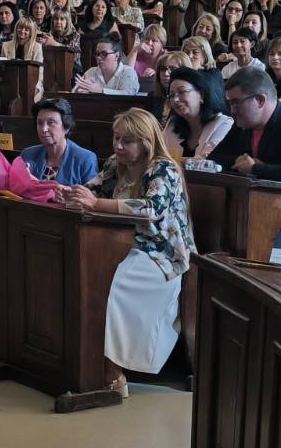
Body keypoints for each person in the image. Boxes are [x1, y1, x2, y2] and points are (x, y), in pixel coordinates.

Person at [58, 109, 195, 397]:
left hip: (161, 253)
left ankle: (113, 373)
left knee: (113, 286)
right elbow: (91, 190)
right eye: (116, 138)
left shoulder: (163, 169)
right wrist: (71, 193)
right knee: (81, 276)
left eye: (127, 141)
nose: (118, 146)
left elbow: (151, 209)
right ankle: (83, 364)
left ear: (146, 142)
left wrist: (95, 204)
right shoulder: (114, 163)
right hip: (117, 242)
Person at [209, 67, 281, 264]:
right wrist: (242, 163)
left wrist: (255, 169)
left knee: (251, 261)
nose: (232, 110)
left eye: (236, 102)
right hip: (256, 218)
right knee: (213, 246)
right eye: (229, 103)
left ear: (260, 100)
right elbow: (215, 158)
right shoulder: (243, 125)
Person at [18, 97, 99, 185]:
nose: (44, 129)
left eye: (51, 122)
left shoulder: (85, 159)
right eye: (40, 123)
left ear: (66, 127)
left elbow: (90, 193)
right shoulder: (27, 154)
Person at [162, 66, 233, 163]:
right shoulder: (172, 124)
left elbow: (208, 163)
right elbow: (159, 156)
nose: (175, 99)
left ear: (201, 95)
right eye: (171, 95)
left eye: (182, 92)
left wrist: (173, 161)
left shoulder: (223, 124)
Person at [74, 39, 141, 95]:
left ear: (116, 56)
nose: (99, 58)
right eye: (97, 54)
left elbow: (129, 94)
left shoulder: (128, 72)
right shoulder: (91, 71)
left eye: (104, 54)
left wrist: (101, 90)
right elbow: (74, 93)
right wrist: (78, 91)